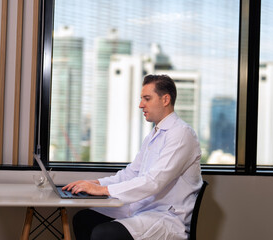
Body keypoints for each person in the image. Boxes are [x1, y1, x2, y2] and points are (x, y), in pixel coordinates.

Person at [63, 74, 203, 240]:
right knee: (83, 219)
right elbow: (131, 173)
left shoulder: (181, 134)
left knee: (103, 234)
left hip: (166, 217)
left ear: (165, 100)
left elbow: (154, 182)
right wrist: (96, 184)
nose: (140, 105)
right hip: (145, 209)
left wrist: (103, 190)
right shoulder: (154, 134)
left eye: (147, 98)